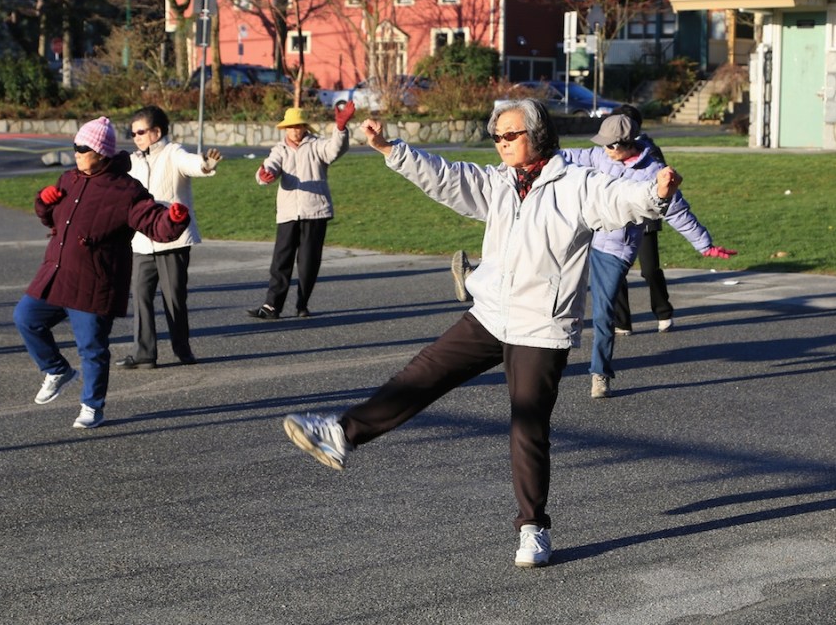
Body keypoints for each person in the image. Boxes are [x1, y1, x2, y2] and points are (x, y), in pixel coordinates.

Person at [282, 99, 683, 568]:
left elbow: (620, 200)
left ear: (537, 135)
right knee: (424, 372)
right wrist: (392, 149)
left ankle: (533, 529)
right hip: (492, 312)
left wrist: (655, 193)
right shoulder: (498, 182)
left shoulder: (577, 183)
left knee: (527, 427)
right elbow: (448, 177)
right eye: (496, 136)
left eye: (510, 135)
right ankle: (341, 433)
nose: (501, 143)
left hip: (541, 324)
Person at [13, 117, 190, 429]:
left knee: (92, 348)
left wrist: (173, 220)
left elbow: (152, 222)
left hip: (95, 281)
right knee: (26, 318)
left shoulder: (127, 190)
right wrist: (43, 202)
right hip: (57, 272)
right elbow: (50, 217)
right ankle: (56, 369)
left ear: (101, 153)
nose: (76, 153)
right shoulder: (69, 179)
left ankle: (92, 406)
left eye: (83, 148)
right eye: (75, 147)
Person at [561, 114, 736, 400]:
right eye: (602, 145)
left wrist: (705, 245)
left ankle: (599, 374)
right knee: (543, 280)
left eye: (609, 146)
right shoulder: (597, 157)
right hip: (581, 236)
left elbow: (677, 211)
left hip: (614, 248)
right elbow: (562, 156)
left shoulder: (654, 172)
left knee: (605, 312)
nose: (603, 150)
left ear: (625, 145)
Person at [116, 105, 222, 370]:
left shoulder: (173, 152)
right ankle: (144, 354)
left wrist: (205, 164)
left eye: (140, 132)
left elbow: (191, 164)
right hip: (142, 241)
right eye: (133, 133)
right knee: (140, 296)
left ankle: (182, 349)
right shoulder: (135, 160)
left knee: (174, 298)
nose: (136, 137)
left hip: (173, 240)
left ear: (157, 131)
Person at [247, 102, 356, 320]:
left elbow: (335, 149)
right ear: (285, 129)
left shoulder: (317, 146)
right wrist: (263, 175)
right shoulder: (279, 150)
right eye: (291, 126)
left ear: (305, 127)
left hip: (315, 212)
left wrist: (341, 128)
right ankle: (271, 307)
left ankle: (302, 304)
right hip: (288, 213)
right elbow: (270, 166)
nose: (295, 130)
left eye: (299, 126)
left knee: (308, 262)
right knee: (281, 260)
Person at [609, 105, 673, 334]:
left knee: (649, 269)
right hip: (618, 218)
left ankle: (663, 311)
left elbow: (664, 185)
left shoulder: (650, 151)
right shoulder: (609, 151)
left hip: (644, 220)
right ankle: (621, 321)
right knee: (616, 271)